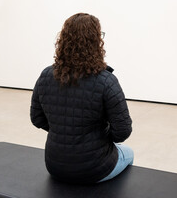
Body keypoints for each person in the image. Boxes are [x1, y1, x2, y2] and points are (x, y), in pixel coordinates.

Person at [30, 13, 133, 184]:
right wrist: (99, 137)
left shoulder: (46, 75)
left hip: (55, 165)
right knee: (128, 153)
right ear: (96, 42)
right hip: (95, 168)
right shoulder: (106, 80)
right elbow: (123, 130)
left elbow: (37, 118)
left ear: (63, 40)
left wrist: (64, 131)